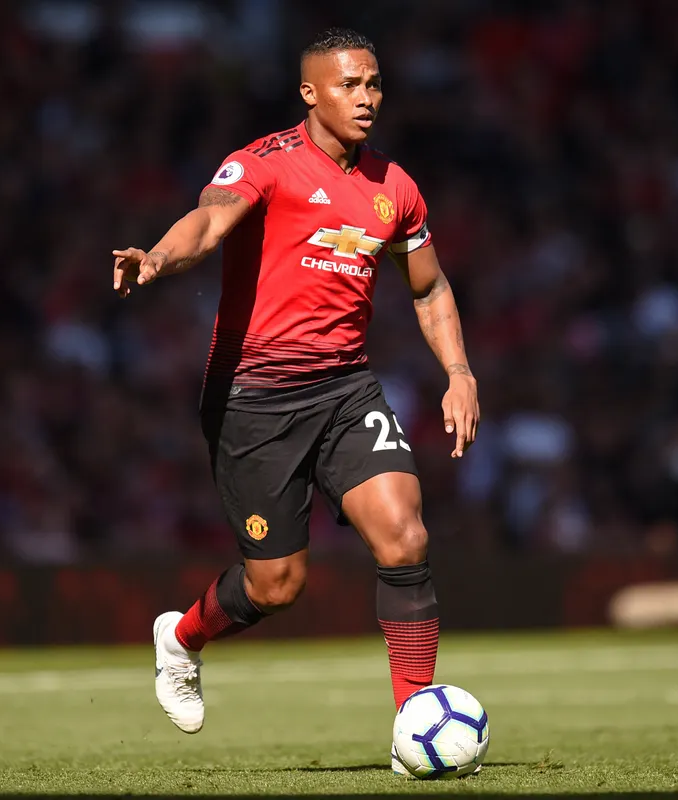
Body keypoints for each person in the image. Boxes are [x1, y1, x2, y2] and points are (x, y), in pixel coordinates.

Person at [111, 28, 479, 772]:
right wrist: (156, 256)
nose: (367, 98)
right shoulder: (265, 164)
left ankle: (415, 716)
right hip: (254, 398)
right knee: (277, 586)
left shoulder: (395, 187)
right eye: (350, 85)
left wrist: (460, 370)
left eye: (374, 83)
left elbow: (430, 284)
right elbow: (209, 222)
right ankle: (181, 639)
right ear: (310, 92)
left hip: (345, 387)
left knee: (405, 537)